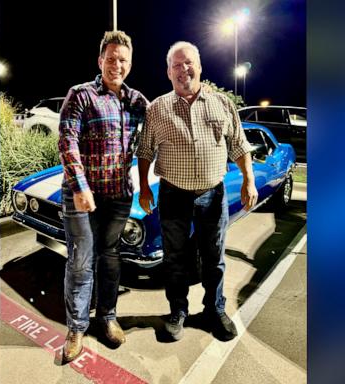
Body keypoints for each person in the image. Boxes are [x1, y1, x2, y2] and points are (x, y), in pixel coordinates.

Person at [137, 41, 258, 341]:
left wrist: (249, 179)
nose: (183, 69)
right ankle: (178, 310)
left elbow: (240, 146)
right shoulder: (157, 109)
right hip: (172, 194)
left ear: (200, 67)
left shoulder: (223, 104)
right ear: (168, 72)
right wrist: (143, 188)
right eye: (176, 65)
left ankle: (214, 309)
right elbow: (144, 151)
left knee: (214, 256)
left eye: (188, 62)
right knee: (174, 257)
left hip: (212, 194)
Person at [58, 30, 149, 361]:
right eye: (111, 58)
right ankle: (76, 329)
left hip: (117, 196)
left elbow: (155, 138)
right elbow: (67, 141)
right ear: (100, 61)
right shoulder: (81, 95)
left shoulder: (138, 102)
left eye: (123, 60)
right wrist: (80, 186)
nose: (117, 64)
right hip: (81, 196)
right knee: (81, 261)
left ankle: (107, 317)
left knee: (109, 258)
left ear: (130, 64)